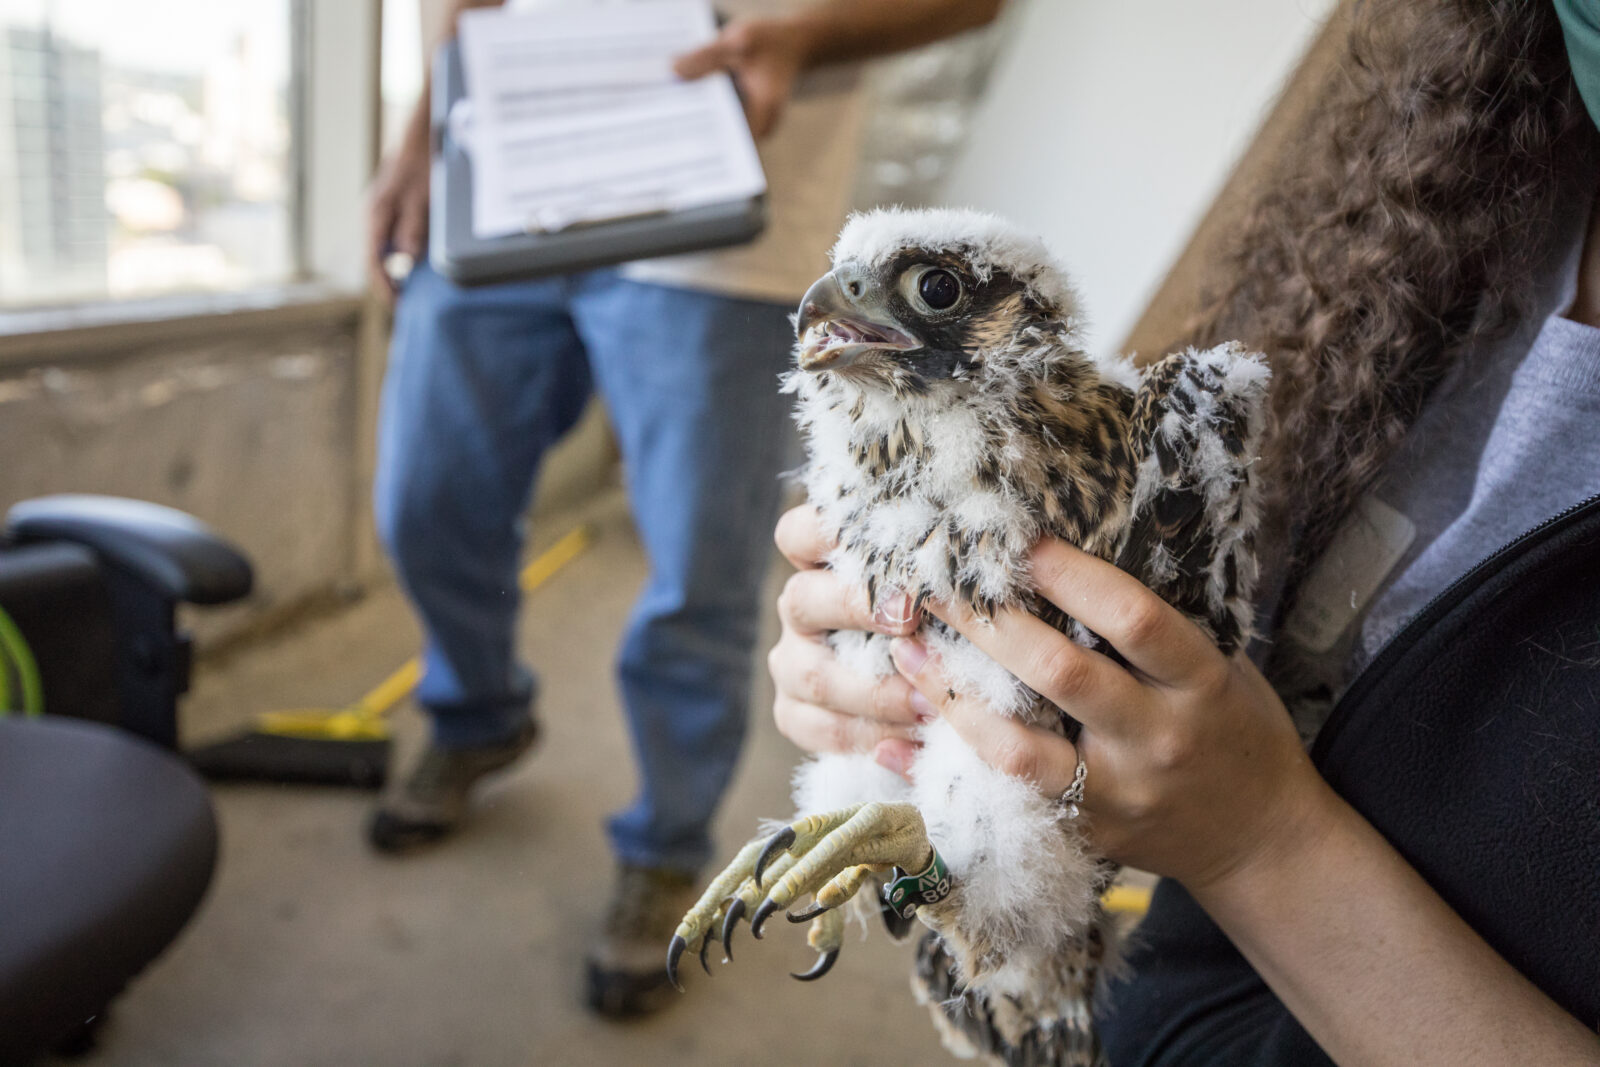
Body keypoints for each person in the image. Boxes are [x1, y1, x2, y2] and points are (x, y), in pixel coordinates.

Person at [764, 0, 1600, 1062]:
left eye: (928, 292)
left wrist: (1259, 839)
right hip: (1166, 993)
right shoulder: (1470, 178)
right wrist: (869, 670)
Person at [364, 0, 1004, 1019]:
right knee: (423, 501)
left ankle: (665, 842)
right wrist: (416, 143)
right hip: (505, 174)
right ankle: (477, 712)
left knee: (694, 572)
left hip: (716, 211)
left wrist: (797, 36)